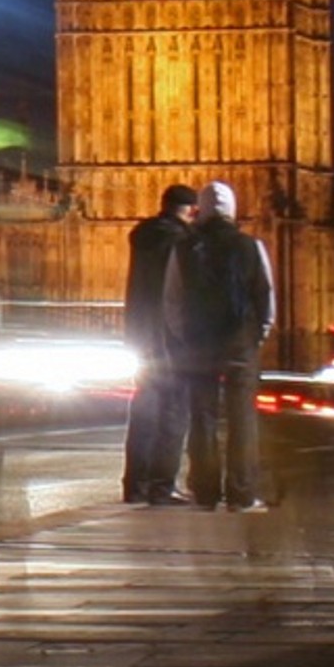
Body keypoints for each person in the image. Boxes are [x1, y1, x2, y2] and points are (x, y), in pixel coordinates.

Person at [163, 180, 275, 512]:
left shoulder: (184, 248)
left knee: (203, 417)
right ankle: (241, 493)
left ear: (203, 210)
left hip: (198, 341)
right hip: (240, 342)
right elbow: (266, 296)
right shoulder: (250, 246)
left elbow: (172, 299)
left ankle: (206, 491)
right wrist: (257, 335)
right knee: (243, 419)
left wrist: (184, 335)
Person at [121, 184, 197, 502]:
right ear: (190, 210)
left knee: (144, 409)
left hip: (141, 334)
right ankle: (162, 485)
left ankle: (135, 484)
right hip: (171, 337)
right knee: (174, 411)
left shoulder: (144, 238)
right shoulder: (181, 242)